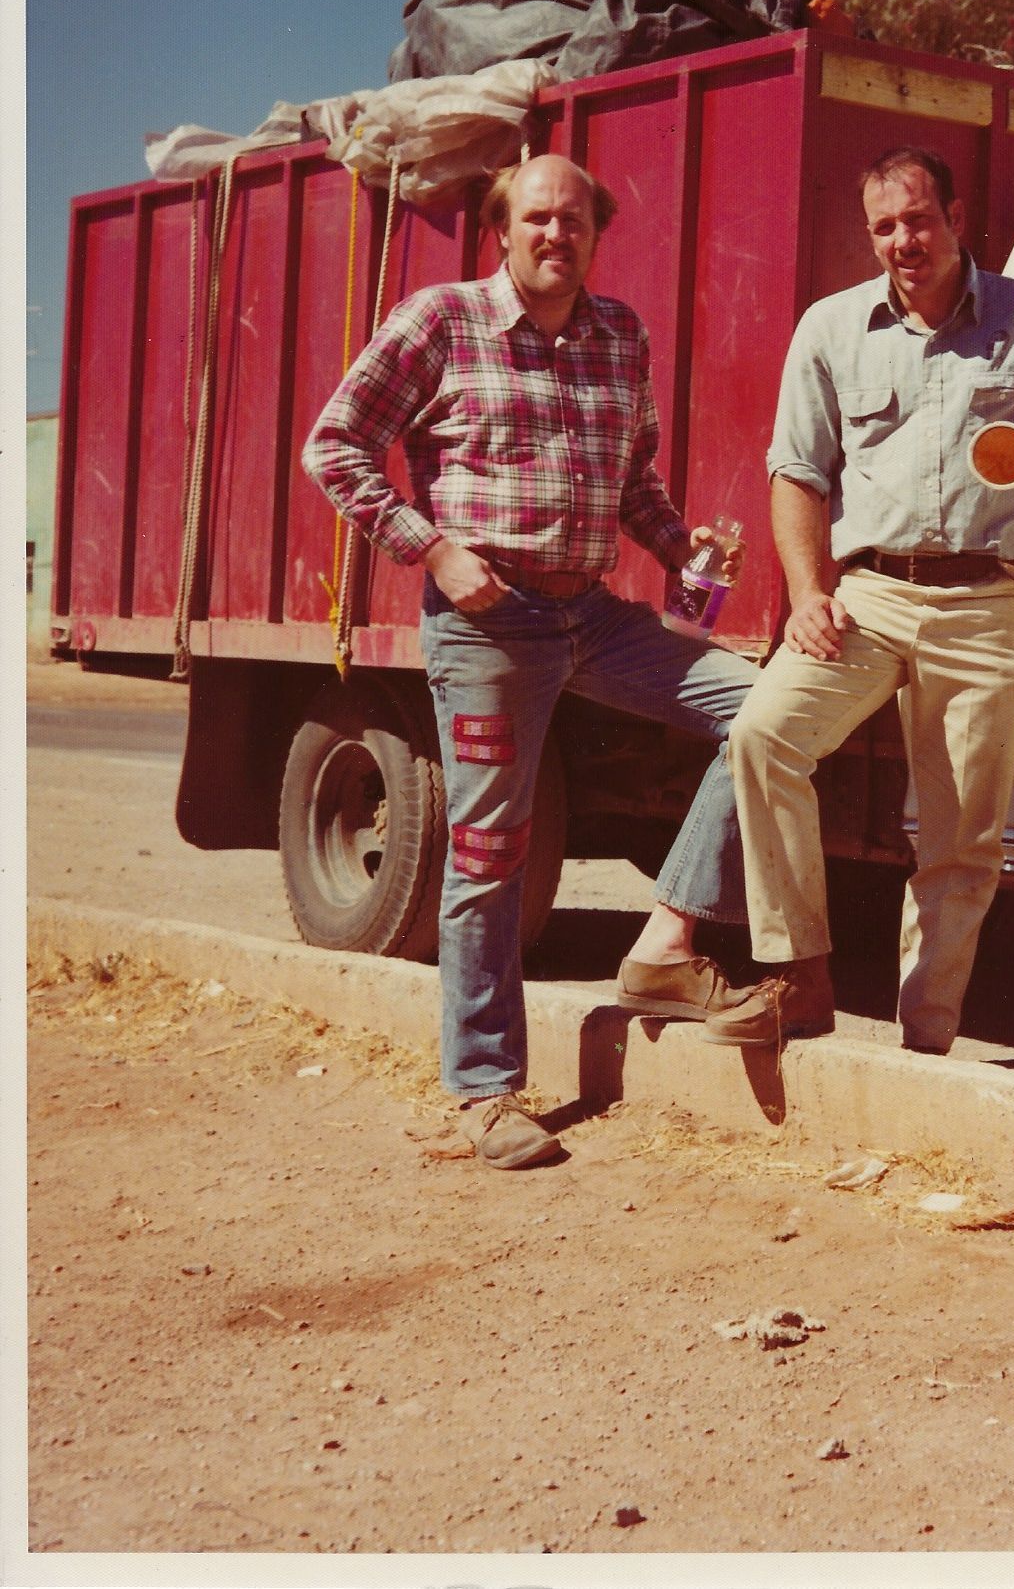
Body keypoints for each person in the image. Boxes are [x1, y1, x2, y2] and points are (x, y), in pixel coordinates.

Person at [303, 153, 759, 1169]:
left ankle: (664, 946)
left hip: (591, 613)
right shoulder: (440, 320)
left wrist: (679, 546)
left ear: (595, 236)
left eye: (575, 222)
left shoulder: (620, 335)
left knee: (765, 716)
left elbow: (633, 482)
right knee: (490, 859)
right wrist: (431, 548)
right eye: (537, 219)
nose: (557, 235)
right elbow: (334, 447)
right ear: (502, 231)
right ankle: (486, 1094)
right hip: (487, 625)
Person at [707, 146, 1014, 1055]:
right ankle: (797, 976)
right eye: (883, 227)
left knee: (959, 846)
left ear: (955, 217)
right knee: (764, 734)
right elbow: (796, 474)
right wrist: (808, 592)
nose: (901, 242)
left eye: (916, 220)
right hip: (871, 594)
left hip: (990, 604)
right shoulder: (832, 328)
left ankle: (924, 1042)